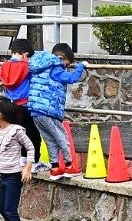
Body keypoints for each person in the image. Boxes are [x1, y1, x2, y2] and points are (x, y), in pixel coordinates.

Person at [27, 42, 87, 179]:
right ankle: (69, 165)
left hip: (35, 110)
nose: (65, 67)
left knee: (49, 139)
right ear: (61, 58)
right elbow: (71, 78)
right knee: (61, 136)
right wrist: (81, 66)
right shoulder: (56, 68)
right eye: (66, 64)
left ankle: (55, 168)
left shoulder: (40, 66)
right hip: (49, 110)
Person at [0, 38, 45, 172]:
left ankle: (22, 158)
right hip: (26, 104)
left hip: (11, 105)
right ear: (25, 54)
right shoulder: (26, 66)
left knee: (19, 133)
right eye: (28, 57)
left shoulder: (4, 66)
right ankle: (34, 161)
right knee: (33, 133)